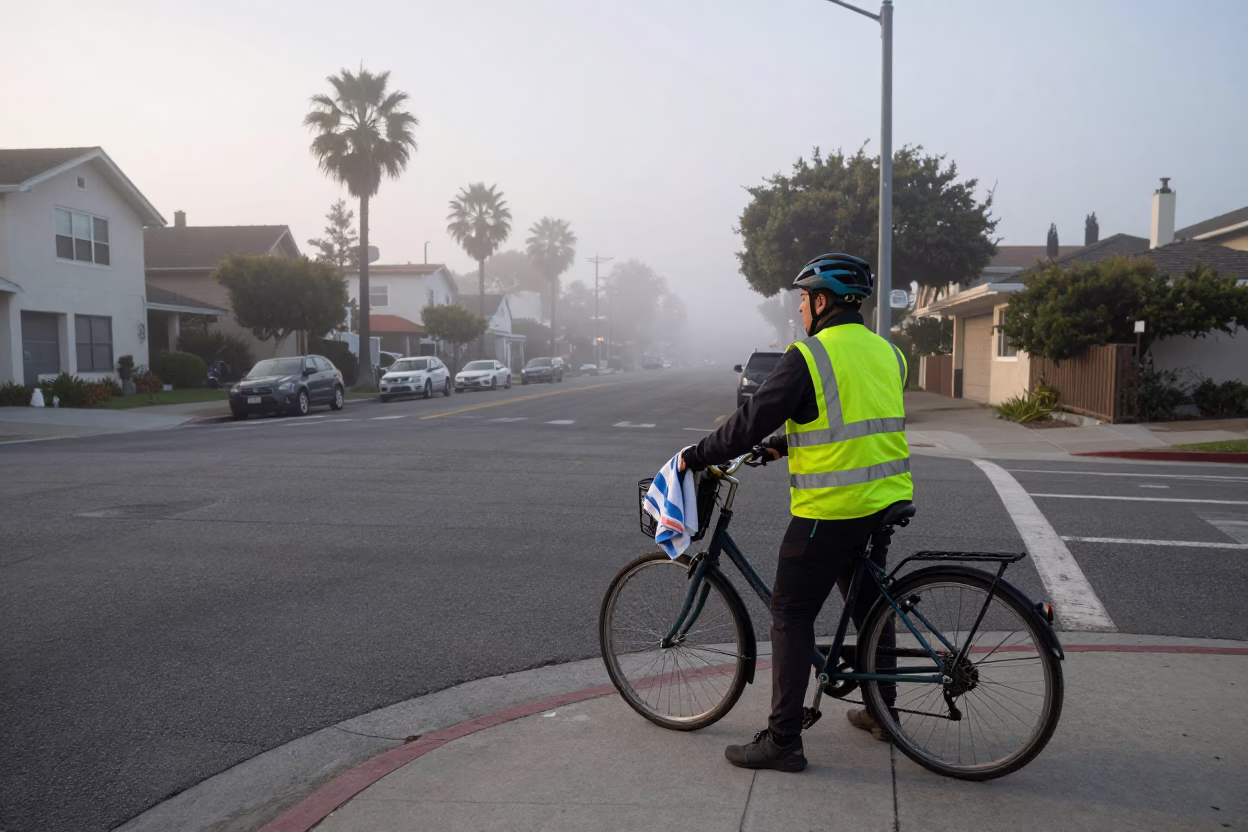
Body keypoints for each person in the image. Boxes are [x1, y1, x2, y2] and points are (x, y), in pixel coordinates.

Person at [678, 252, 912, 772]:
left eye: (804, 298)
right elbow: (853, 417)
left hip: (832, 507)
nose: (801, 308)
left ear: (822, 301)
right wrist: (788, 443)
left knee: (790, 612)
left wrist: (695, 455)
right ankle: (883, 711)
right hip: (884, 499)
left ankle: (783, 739)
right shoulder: (889, 354)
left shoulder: (809, 356)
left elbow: (747, 423)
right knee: (872, 607)